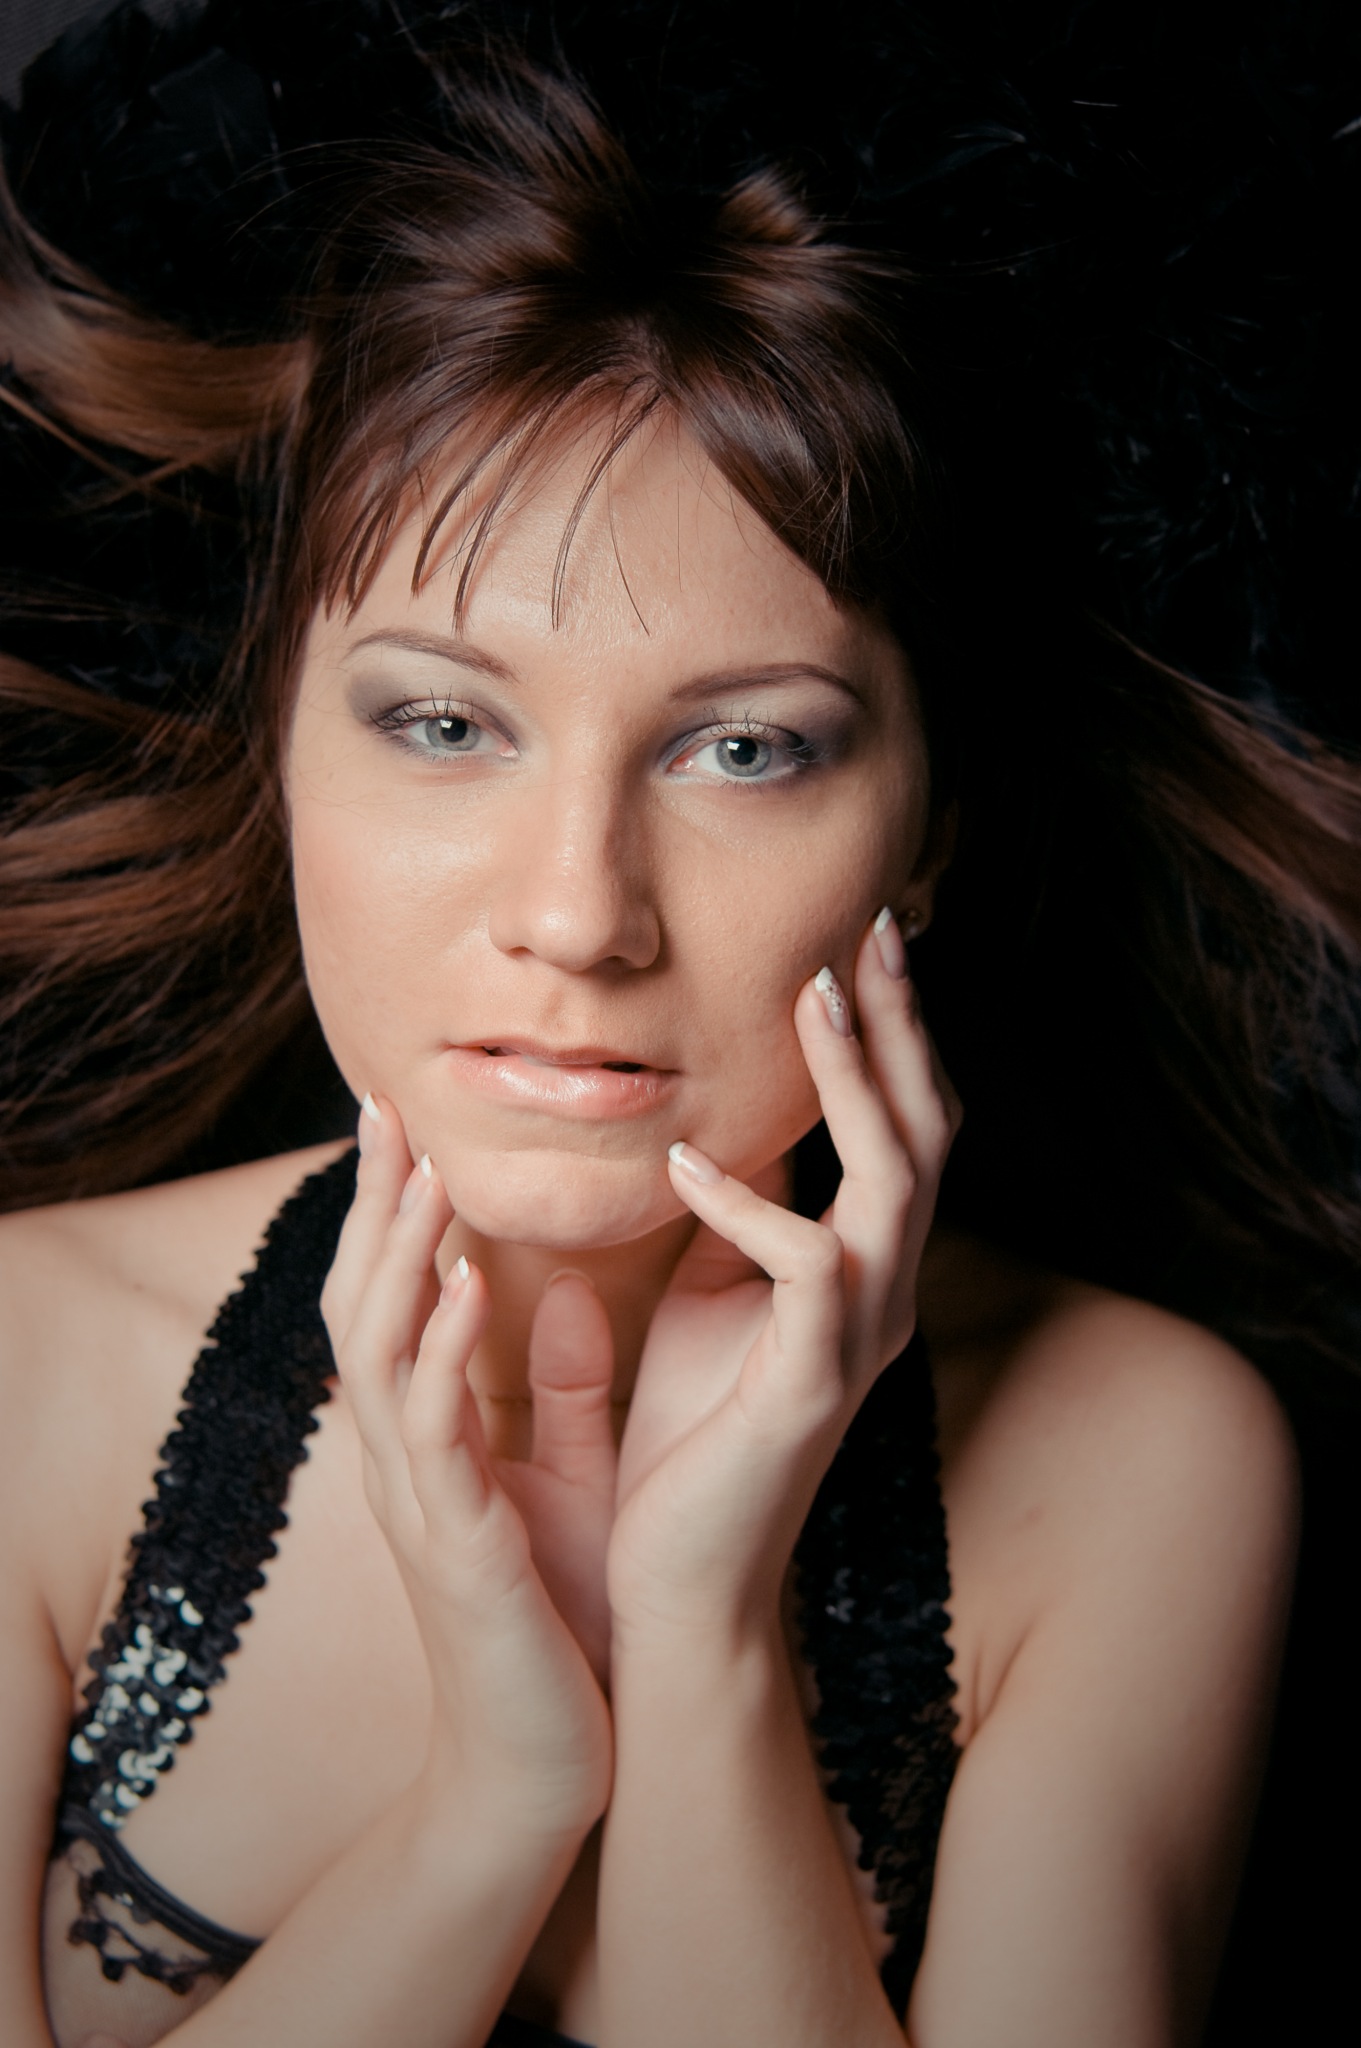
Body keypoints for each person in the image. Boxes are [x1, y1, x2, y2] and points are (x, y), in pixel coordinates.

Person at [2, 22, 1347, 2047]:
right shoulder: (23, 1367)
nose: (577, 912)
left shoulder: (1137, 1463)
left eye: (742, 750)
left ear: (925, 834)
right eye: (441, 723)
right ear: (277, 754)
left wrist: (701, 1635)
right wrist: (499, 1799)